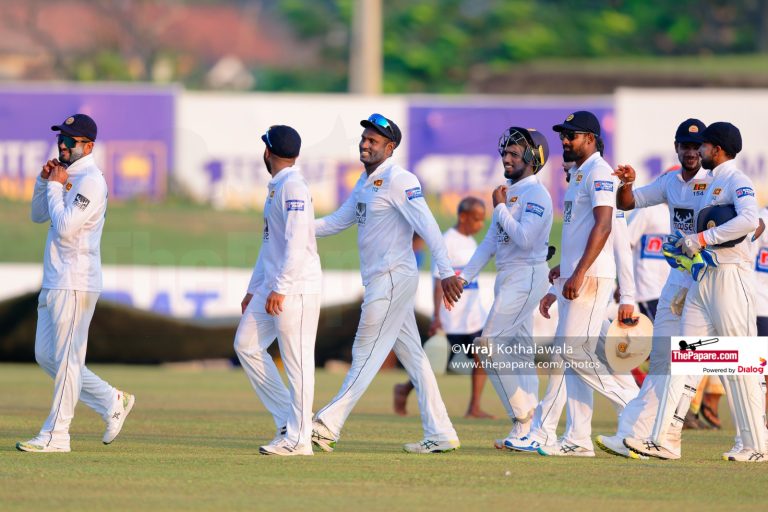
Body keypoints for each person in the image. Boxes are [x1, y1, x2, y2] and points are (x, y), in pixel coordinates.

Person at [311, 113, 462, 454]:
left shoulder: (400, 179)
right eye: (364, 139)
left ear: (390, 147)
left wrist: (446, 272)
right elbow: (338, 221)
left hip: (392, 278)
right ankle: (441, 432)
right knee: (415, 359)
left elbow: (428, 226)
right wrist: (296, 225)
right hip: (384, 281)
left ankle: (327, 425)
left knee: (365, 352)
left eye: (373, 141)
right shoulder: (365, 181)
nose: (365, 144)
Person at [623, 122, 765, 462]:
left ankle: (756, 445)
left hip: (731, 278)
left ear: (717, 148)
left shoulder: (737, 180)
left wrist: (702, 239)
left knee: (741, 363)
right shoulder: (708, 182)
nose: (698, 151)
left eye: (703, 145)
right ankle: (665, 439)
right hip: (702, 279)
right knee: (685, 358)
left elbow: (750, 220)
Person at [518, 111, 637, 457]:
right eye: (563, 135)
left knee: (571, 354)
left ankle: (636, 406)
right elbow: (580, 232)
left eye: (572, 135)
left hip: (592, 278)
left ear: (591, 139)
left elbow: (605, 226)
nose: (565, 141)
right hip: (578, 277)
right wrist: (564, 271)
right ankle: (577, 439)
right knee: (568, 359)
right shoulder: (581, 174)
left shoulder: (600, 172)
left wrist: (581, 271)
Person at [18, 114, 134, 453]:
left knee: (68, 361)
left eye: (71, 141)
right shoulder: (66, 175)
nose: (63, 145)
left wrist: (57, 186)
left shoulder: (91, 181)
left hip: (76, 281)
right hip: (55, 278)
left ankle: (57, 435)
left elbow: (67, 227)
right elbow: (38, 215)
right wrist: (44, 182)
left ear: (89, 146)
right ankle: (111, 400)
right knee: (47, 356)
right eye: (61, 139)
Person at [596, 119, 711, 458]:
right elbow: (627, 203)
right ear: (676, 148)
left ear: (706, 149)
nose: (691, 152)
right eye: (685, 146)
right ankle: (633, 434)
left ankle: (671, 437)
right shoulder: (669, 182)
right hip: (676, 280)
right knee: (662, 358)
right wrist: (627, 184)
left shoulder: (716, 182)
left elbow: (747, 222)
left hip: (707, 280)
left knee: (697, 360)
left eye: (697, 146)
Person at [457, 127, 553, 447]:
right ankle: (529, 433)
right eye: (505, 153)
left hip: (526, 275)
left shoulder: (536, 194)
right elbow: (490, 242)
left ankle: (523, 416)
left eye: (515, 154)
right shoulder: (509, 192)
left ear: (533, 159)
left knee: (487, 345)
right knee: (520, 354)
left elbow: (524, 239)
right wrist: (464, 278)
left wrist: (499, 207)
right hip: (509, 277)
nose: (506, 158)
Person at [233, 125, 321, 456]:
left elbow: (297, 242)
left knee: (298, 363)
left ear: (267, 152)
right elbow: (270, 244)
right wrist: (254, 288)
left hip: (295, 288)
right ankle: (289, 421)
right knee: (246, 345)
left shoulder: (293, 186)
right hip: (273, 286)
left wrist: (281, 288)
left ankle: (300, 440)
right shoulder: (278, 187)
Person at [393, 197, 491, 419]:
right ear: (463, 216)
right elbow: (439, 281)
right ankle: (404, 389)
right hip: (451, 316)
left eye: (482, 220)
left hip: (473, 317)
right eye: (476, 219)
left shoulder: (471, 242)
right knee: (430, 365)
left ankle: (474, 407)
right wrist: (437, 316)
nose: (480, 225)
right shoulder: (447, 241)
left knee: (482, 355)